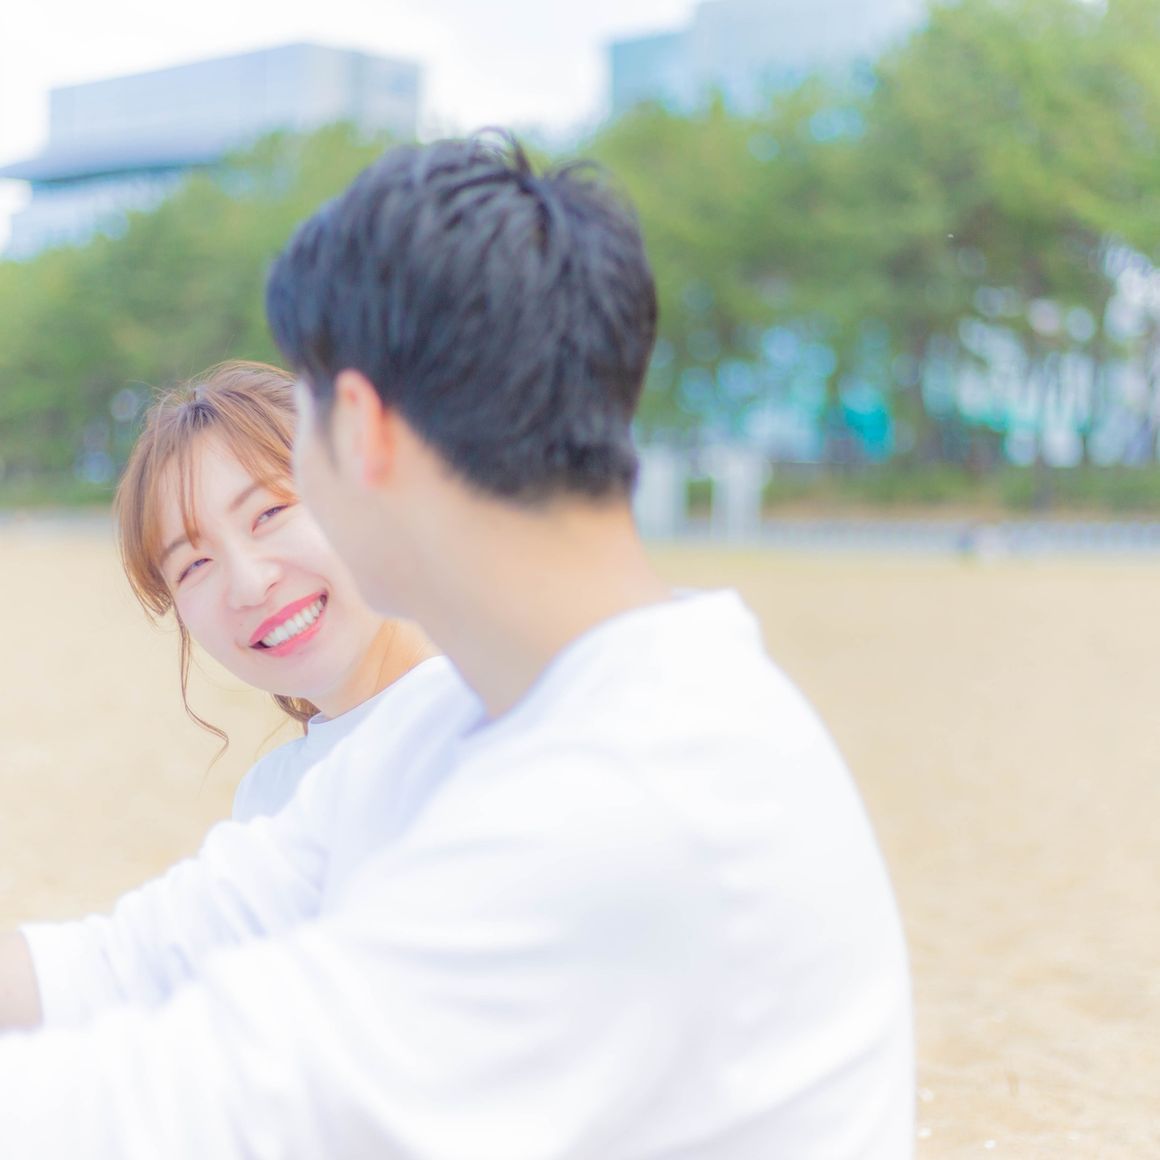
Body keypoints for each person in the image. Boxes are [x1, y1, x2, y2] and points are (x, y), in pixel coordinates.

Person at [0, 135, 913, 1158]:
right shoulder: (464, 719)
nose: (249, 575)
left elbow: (229, 1099)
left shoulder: (635, 786)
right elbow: (145, 958)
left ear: (358, 427)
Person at [115, 359, 439, 822]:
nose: (250, 585)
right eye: (195, 565)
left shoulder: (502, 719)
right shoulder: (269, 801)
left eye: (269, 514)